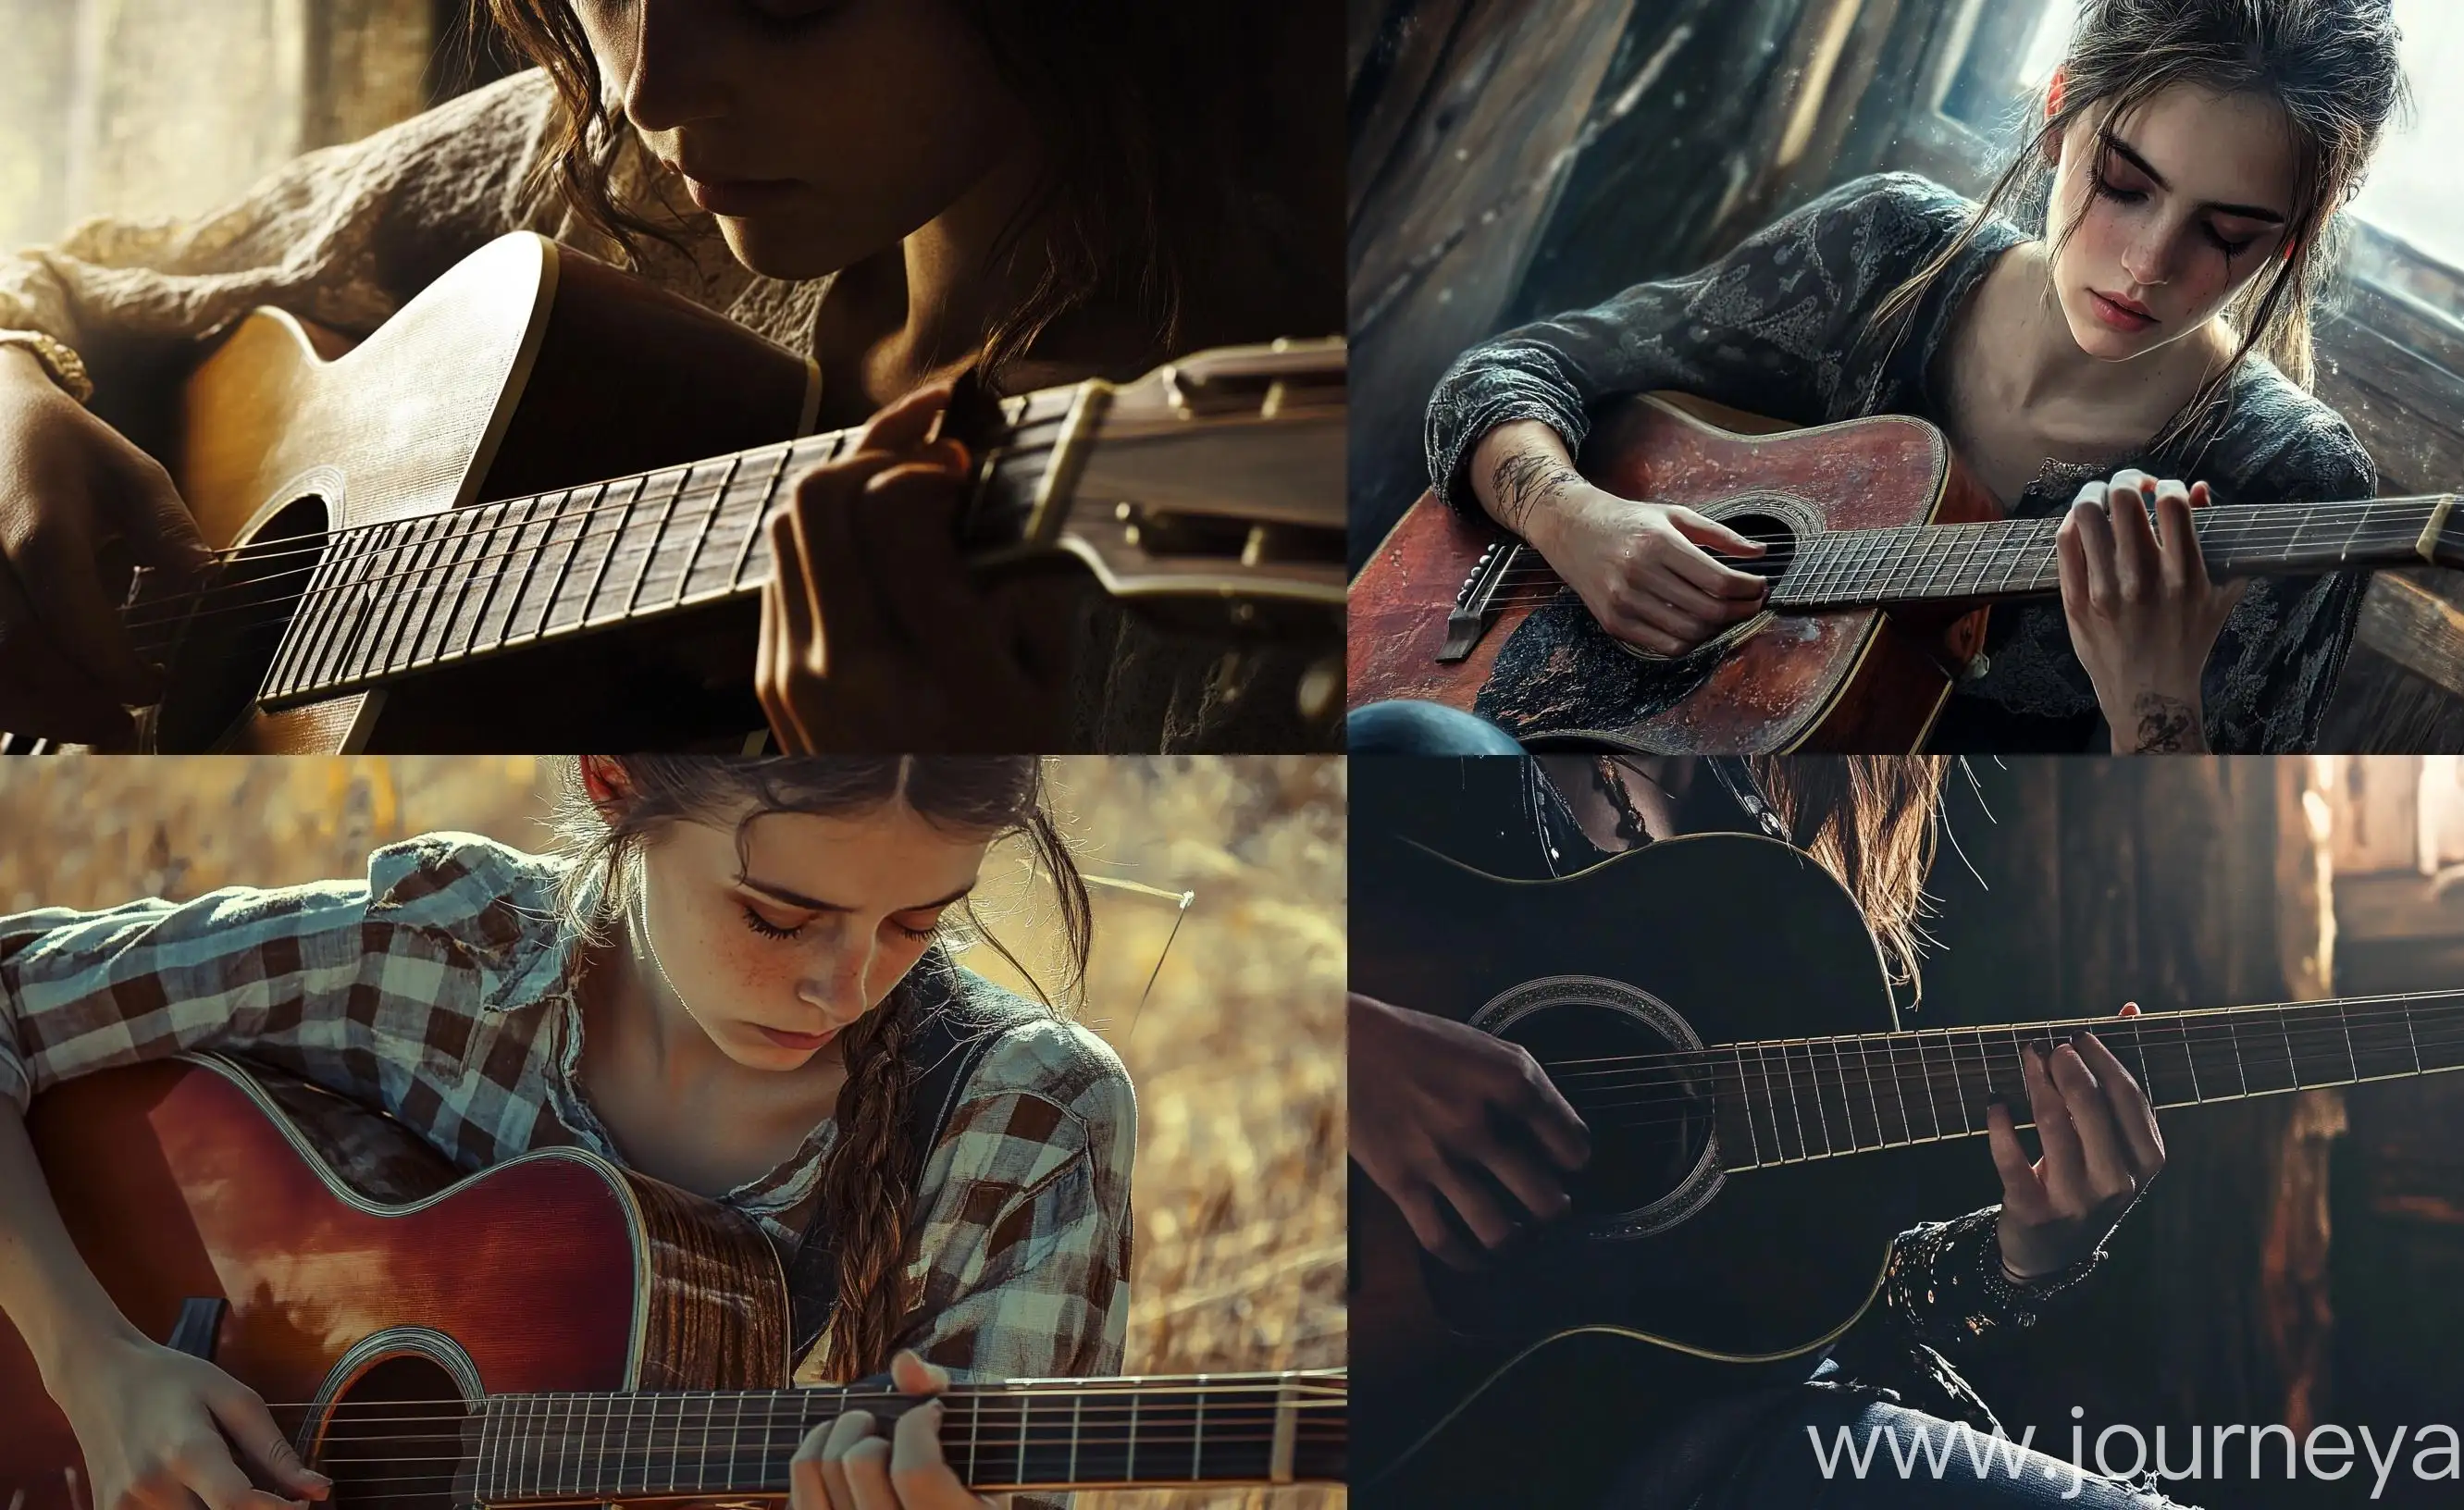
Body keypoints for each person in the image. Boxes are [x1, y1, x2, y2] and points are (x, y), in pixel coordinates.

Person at [0, 1, 1342, 753]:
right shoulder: (613, 169)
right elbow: (72, 282)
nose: (647, 86)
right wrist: (18, 391)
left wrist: (902, 783)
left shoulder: (1210, 560)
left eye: (785, 4)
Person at [0, 756, 1132, 1510]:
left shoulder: (1020, 1114)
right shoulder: (434, 957)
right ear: (612, 782)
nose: (843, 988)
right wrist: (92, 1362)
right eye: (779, 918)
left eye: (918, 924)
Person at [1425, 0, 2406, 753]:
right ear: (2059, 112)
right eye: (2122, 185)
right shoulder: (1881, 252)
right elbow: (1510, 371)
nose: (2148, 262)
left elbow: (2213, 892)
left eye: (2226, 234)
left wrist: (2154, 701)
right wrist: (1571, 517)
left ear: (2294, 237)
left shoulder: (2295, 488)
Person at [1348, 754, 2186, 1506]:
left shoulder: (1783, 812)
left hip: (1705, 1434)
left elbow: (1779, 1307)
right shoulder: (1444, 735)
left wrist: (2021, 1260)